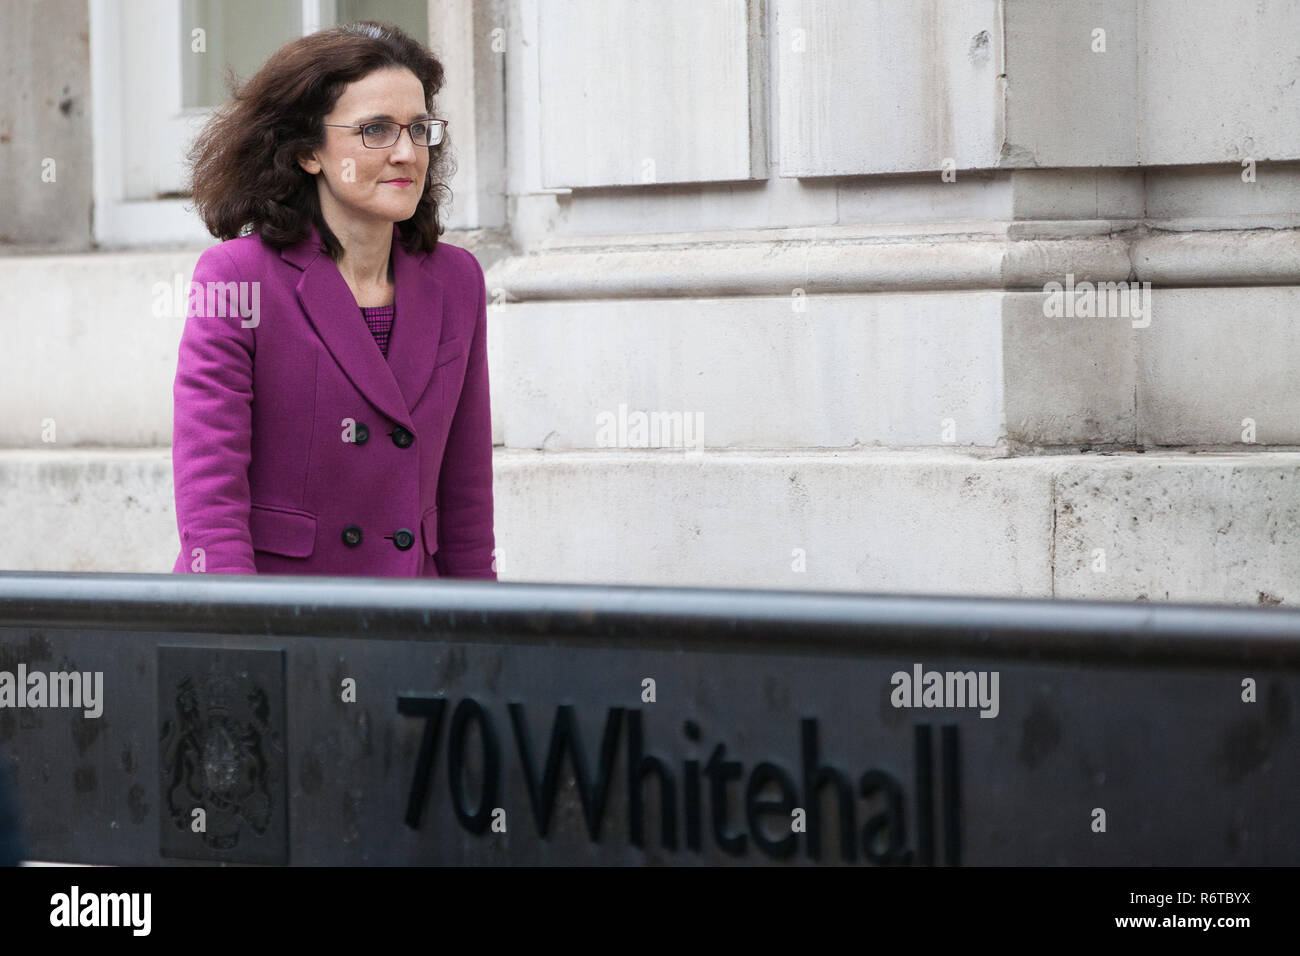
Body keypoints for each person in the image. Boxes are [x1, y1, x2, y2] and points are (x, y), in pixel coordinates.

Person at [172, 21, 496, 579]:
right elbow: (211, 498)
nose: (406, 153)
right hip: (283, 618)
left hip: (415, 624)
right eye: (375, 130)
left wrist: (481, 646)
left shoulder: (457, 279)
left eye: (419, 129)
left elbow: (467, 499)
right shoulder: (235, 277)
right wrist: (238, 640)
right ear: (308, 153)